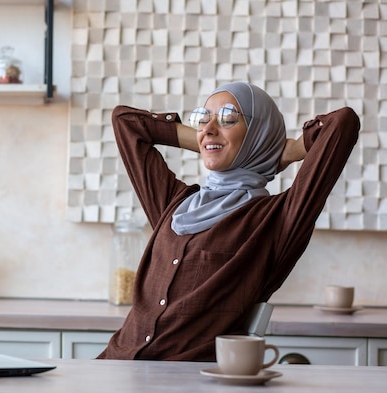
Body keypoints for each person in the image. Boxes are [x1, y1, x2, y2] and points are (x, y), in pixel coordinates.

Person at [97, 81, 360, 361]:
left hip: (185, 383)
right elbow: (126, 122)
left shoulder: (277, 220)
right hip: (116, 363)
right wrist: (210, 142)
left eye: (228, 118)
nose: (208, 127)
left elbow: (342, 123)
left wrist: (282, 151)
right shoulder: (173, 204)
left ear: (259, 135)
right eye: (203, 118)